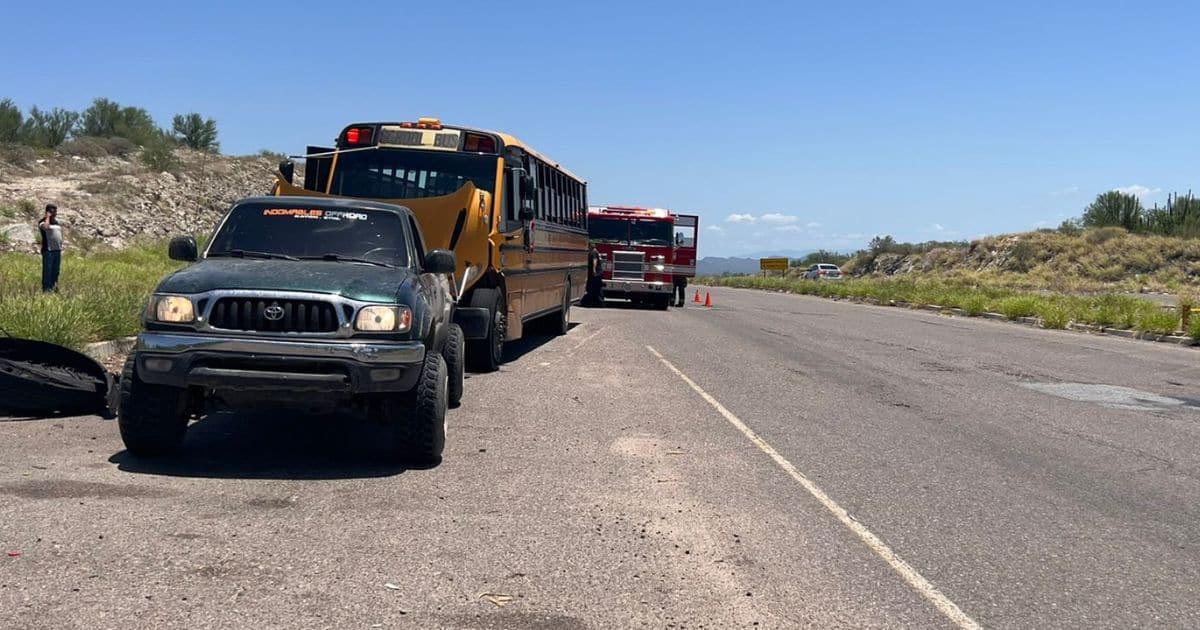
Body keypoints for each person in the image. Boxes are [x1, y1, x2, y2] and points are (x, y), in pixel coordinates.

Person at [38, 204, 63, 292]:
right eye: (52, 212)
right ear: (47, 212)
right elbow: (46, 227)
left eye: (55, 211)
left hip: (57, 250)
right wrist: (47, 217)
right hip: (48, 251)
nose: (54, 214)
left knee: (56, 270)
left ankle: (54, 287)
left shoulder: (56, 222)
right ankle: (46, 289)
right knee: (47, 270)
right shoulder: (42, 222)